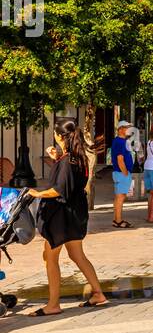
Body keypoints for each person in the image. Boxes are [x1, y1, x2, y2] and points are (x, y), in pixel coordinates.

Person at [25, 120, 108, 316]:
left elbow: (58, 190)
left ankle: (53, 304)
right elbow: (68, 181)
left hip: (61, 216)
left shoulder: (67, 161)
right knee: (76, 254)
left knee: (50, 258)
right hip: (75, 213)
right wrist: (56, 158)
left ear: (60, 136)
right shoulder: (76, 158)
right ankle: (98, 293)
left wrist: (36, 194)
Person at [108, 119, 135, 228]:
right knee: (120, 197)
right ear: (120, 129)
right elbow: (120, 159)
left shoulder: (121, 141)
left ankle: (116, 219)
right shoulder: (119, 141)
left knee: (119, 197)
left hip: (120, 172)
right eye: (127, 127)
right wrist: (125, 172)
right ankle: (118, 220)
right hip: (121, 173)